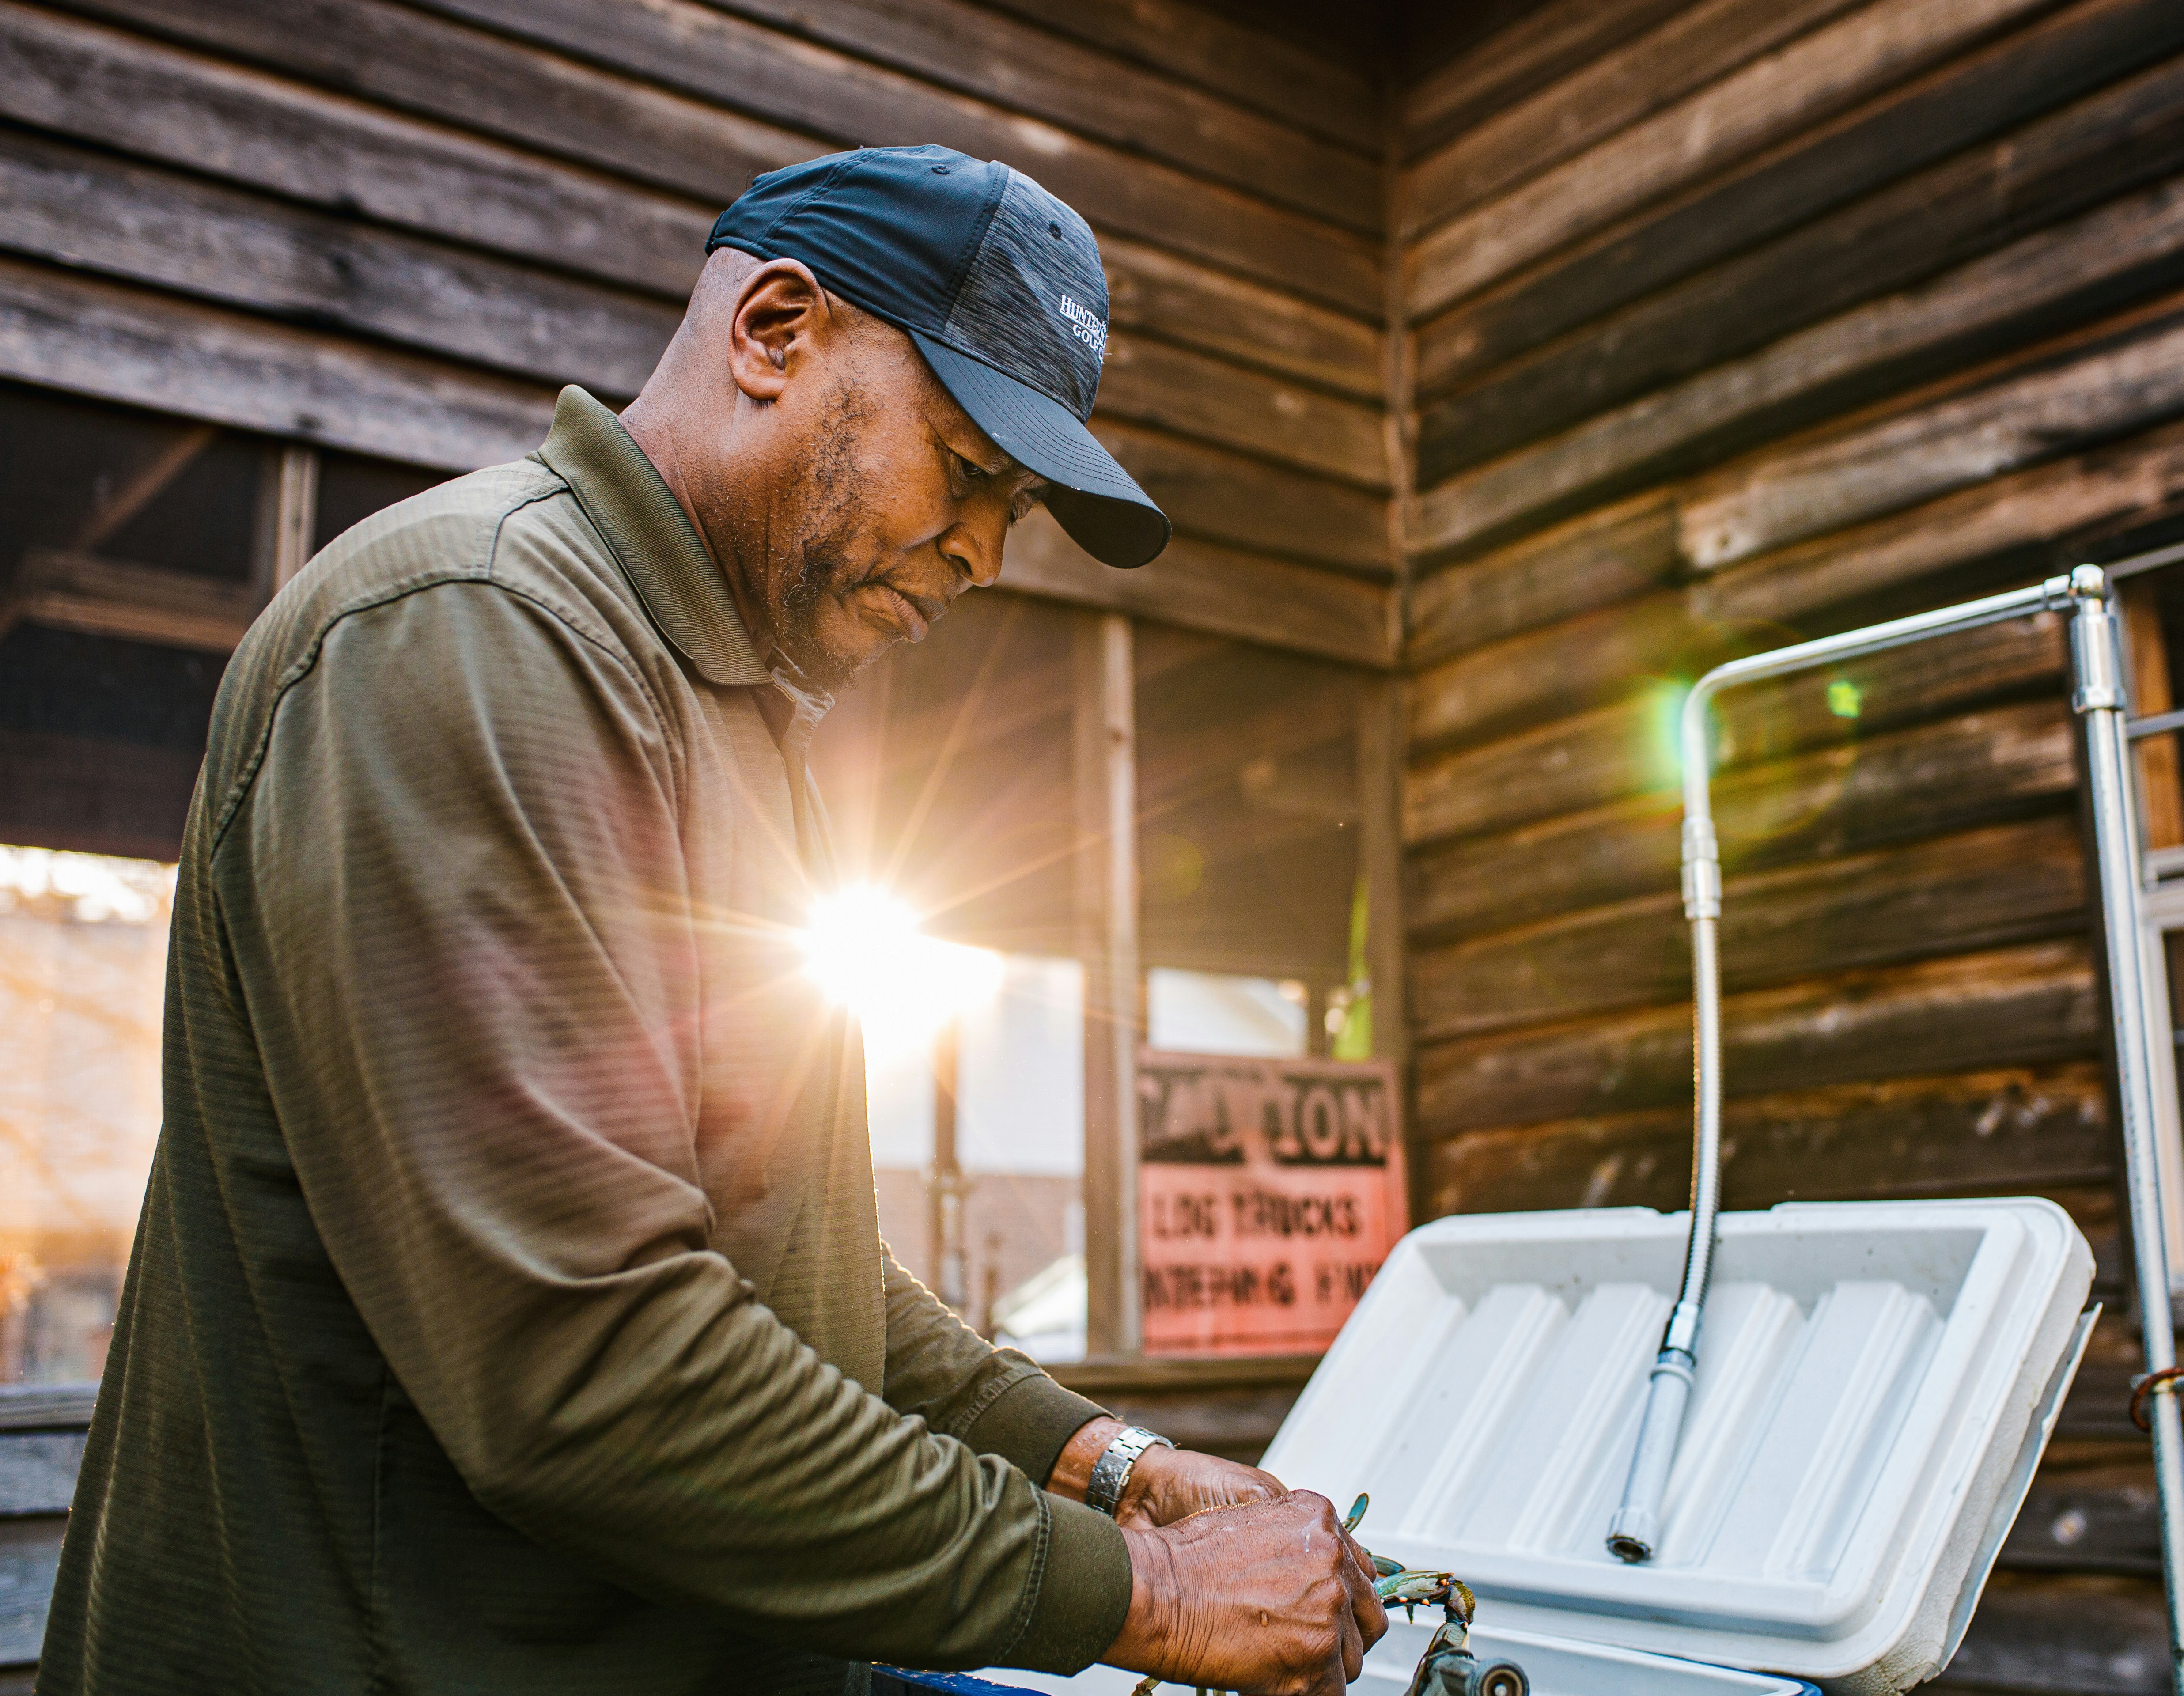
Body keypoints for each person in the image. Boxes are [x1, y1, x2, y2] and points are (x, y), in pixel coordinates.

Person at [38, 146, 1384, 1696]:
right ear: (773, 333)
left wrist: (1101, 1459)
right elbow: (588, 1365)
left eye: (1017, 507)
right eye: (964, 468)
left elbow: (792, 1262)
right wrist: (1138, 1591)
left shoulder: (737, 718)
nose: (988, 554)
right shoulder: (470, 634)